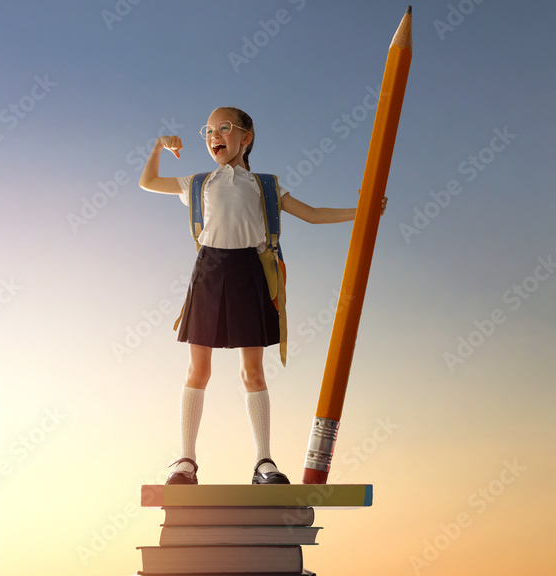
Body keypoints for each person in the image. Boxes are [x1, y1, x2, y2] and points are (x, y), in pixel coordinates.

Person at [138, 106, 386, 485]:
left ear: (246, 137)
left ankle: (263, 462)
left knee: (253, 371)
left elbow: (313, 214)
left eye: (224, 127)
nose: (213, 135)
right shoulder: (197, 181)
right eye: (208, 130)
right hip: (208, 272)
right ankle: (186, 461)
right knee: (198, 370)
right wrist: (158, 145)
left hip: (250, 272)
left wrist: (364, 211)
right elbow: (148, 181)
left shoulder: (264, 185)